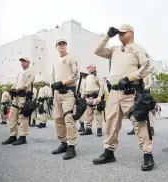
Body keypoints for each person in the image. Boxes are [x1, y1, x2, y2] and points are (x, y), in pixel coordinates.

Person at [92, 24, 154, 171]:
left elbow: (147, 67)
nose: (119, 35)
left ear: (131, 33)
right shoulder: (115, 49)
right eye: (118, 33)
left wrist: (130, 77)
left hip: (130, 92)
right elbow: (97, 50)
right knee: (112, 123)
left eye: (122, 33)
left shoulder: (138, 48)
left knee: (138, 123)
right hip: (113, 93)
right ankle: (109, 152)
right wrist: (107, 36)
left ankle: (148, 154)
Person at [50, 38, 79, 160]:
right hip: (57, 93)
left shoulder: (71, 58)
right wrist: (52, 95)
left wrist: (63, 82)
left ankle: (71, 146)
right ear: (56, 46)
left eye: (64, 44)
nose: (61, 46)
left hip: (68, 92)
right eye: (59, 44)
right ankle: (64, 143)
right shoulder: (55, 61)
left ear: (66, 46)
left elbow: (77, 75)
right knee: (58, 119)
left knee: (68, 118)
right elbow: (52, 78)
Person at [1, 57, 35, 146]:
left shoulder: (30, 71)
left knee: (23, 116)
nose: (22, 63)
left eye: (24, 61)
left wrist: (17, 89)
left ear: (28, 62)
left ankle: (23, 137)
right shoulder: (20, 73)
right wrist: (13, 88)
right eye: (21, 61)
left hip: (23, 96)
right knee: (12, 116)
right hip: (16, 96)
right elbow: (17, 84)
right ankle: (13, 135)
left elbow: (26, 84)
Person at [80, 64, 105, 137]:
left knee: (98, 114)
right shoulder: (88, 76)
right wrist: (83, 94)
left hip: (96, 97)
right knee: (89, 113)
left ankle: (99, 129)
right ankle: (88, 129)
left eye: (89, 67)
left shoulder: (98, 76)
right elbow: (84, 86)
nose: (87, 68)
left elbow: (102, 87)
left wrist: (100, 97)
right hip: (88, 98)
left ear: (94, 68)